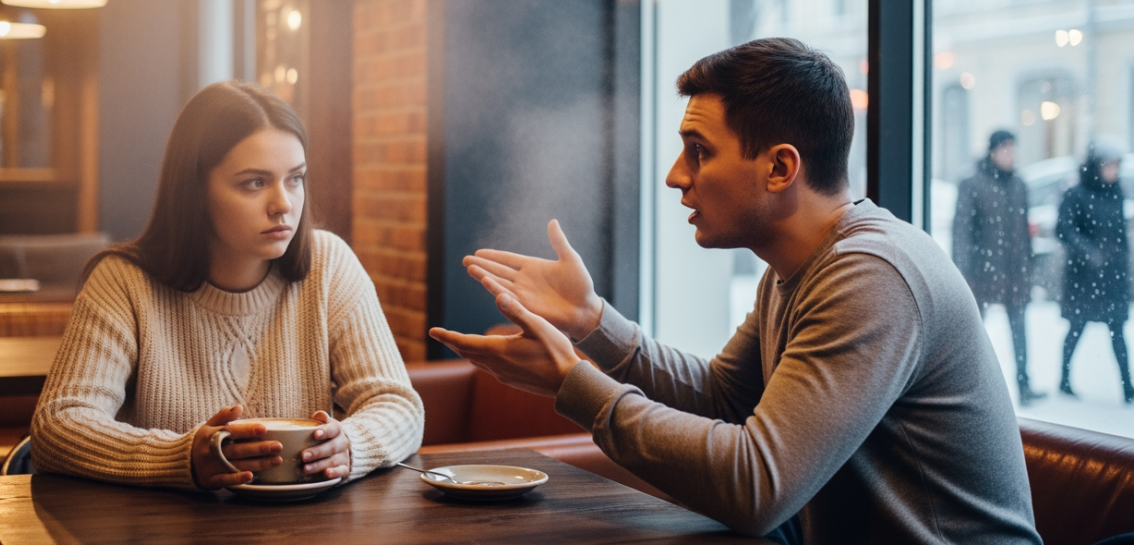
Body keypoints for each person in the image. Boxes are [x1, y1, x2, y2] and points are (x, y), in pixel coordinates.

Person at [431, 38, 1041, 544]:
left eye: (699, 152)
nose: (675, 176)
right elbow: (725, 396)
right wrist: (594, 323)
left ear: (780, 168)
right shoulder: (799, 265)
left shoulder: (872, 274)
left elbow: (757, 486)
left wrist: (574, 384)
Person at [31, 81, 423, 490]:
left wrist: (351, 446)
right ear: (196, 190)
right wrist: (182, 457)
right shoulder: (124, 282)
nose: (283, 203)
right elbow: (57, 426)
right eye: (254, 182)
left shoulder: (328, 264)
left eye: (295, 178)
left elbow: (398, 405)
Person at [952, 129, 1044, 404]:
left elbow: (1024, 229)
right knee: (975, 330)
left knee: (1019, 327)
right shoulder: (973, 184)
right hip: (982, 271)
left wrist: (1028, 265)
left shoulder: (1019, 184)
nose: (1010, 155)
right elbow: (962, 232)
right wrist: (963, 272)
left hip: (1014, 271)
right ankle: (967, 384)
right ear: (993, 151)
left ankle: (1024, 384)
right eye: (1005, 149)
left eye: (1013, 149)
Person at [1056, 138, 1134, 404]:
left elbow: (1120, 234)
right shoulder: (1076, 193)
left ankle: (1128, 386)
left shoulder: (1117, 193)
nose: (1113, 171)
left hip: (1112, 276)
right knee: (1076, 328)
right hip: (1084, 277)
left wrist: (1124, 265)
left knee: (1118, 331)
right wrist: (1088, 252)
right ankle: (1064, 378)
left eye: (1116, 166)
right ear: (1096, 167)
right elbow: (1064, 229)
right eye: (1109, 166)